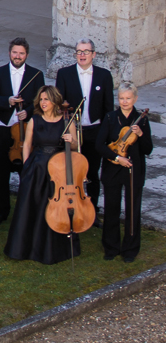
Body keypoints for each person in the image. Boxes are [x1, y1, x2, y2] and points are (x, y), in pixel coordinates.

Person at [4, 86, 81, 264]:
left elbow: (76, 146)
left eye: (46, 99)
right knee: (33, 206)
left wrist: (71, 140)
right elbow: (27, 145)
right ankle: (26, 248)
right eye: (41, 99)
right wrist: (26, 167)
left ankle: (53, 248)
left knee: (54, 207)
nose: (43, 102)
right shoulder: (35, 120)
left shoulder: (67, 121)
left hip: (59, 170)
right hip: (37, 168)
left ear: (55, 101)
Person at [0, 37, 44, 227]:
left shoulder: (36, 75)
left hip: (25, 133)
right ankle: (1, 212)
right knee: (2, 173)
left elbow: (41, 102)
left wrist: (29, 112)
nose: (17, 56)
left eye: (21, 53)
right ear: (9, 53)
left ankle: (25, 213)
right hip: (3, 130)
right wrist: (6, 101)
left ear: (27, 55)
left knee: (26, 172)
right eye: (15, 52)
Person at [56, 38, 115, 225]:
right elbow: (59, 104)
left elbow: (108, 109)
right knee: (72, 172)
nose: (82, 55)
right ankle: (71, 208)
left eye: (86, 51)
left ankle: (92, 211)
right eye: (79, 52)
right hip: (73, 132)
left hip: (95, 131)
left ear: (93, 54)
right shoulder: (64, 74)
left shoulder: (104, 76)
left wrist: (107, 134)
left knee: (92, 173)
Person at [96, 83, 152, 262]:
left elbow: (148, 149)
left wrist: (141, 134)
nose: (125, 101)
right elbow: (99, 145)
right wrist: (117, 157)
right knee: (111, 208)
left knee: (132, 210)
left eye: (128, 98)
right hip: (113, 167)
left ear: (135, 99)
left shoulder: (142, 120)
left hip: (134, 169)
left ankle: (130, 249)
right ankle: (111, 247)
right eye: (121, 98)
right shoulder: (110, 118)